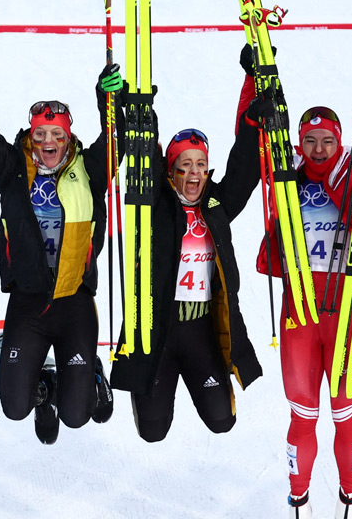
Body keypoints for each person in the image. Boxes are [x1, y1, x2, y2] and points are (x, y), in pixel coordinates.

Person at [0, 41, 120, 444]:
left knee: (79, 416)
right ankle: (43, 389)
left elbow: (119, 138)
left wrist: (108, 99)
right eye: (41, 133)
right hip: (28, 301)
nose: (48, 141)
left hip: (74, 300)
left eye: (56, 134)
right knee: (14, 406)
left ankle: (88, 374)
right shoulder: (13, 167)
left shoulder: (90, 170)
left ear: (68, 136)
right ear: (31, 134)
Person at [240, 46, 352, 519]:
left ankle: (349, 498)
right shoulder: (285, 173)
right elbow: (251, 133)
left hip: (345, 310)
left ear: (338, 145)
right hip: (298, 312)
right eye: (310, 141)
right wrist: (254, 81)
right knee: (302, 417)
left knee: (345, 415)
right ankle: (299, 503)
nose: (317, 150)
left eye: (327, 143)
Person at [109, 85, 270, 443]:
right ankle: (148, 390)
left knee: (222, 421)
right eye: (185, 165)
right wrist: (141, 121)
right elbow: (146, 159)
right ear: (172, 169)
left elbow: (244, 168)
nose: (194, 174)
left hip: (199, 328)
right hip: (159, 328)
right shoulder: (155, 203)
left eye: (200, 164)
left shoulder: (216, 205)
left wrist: (252, 122)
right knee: (152, 431)